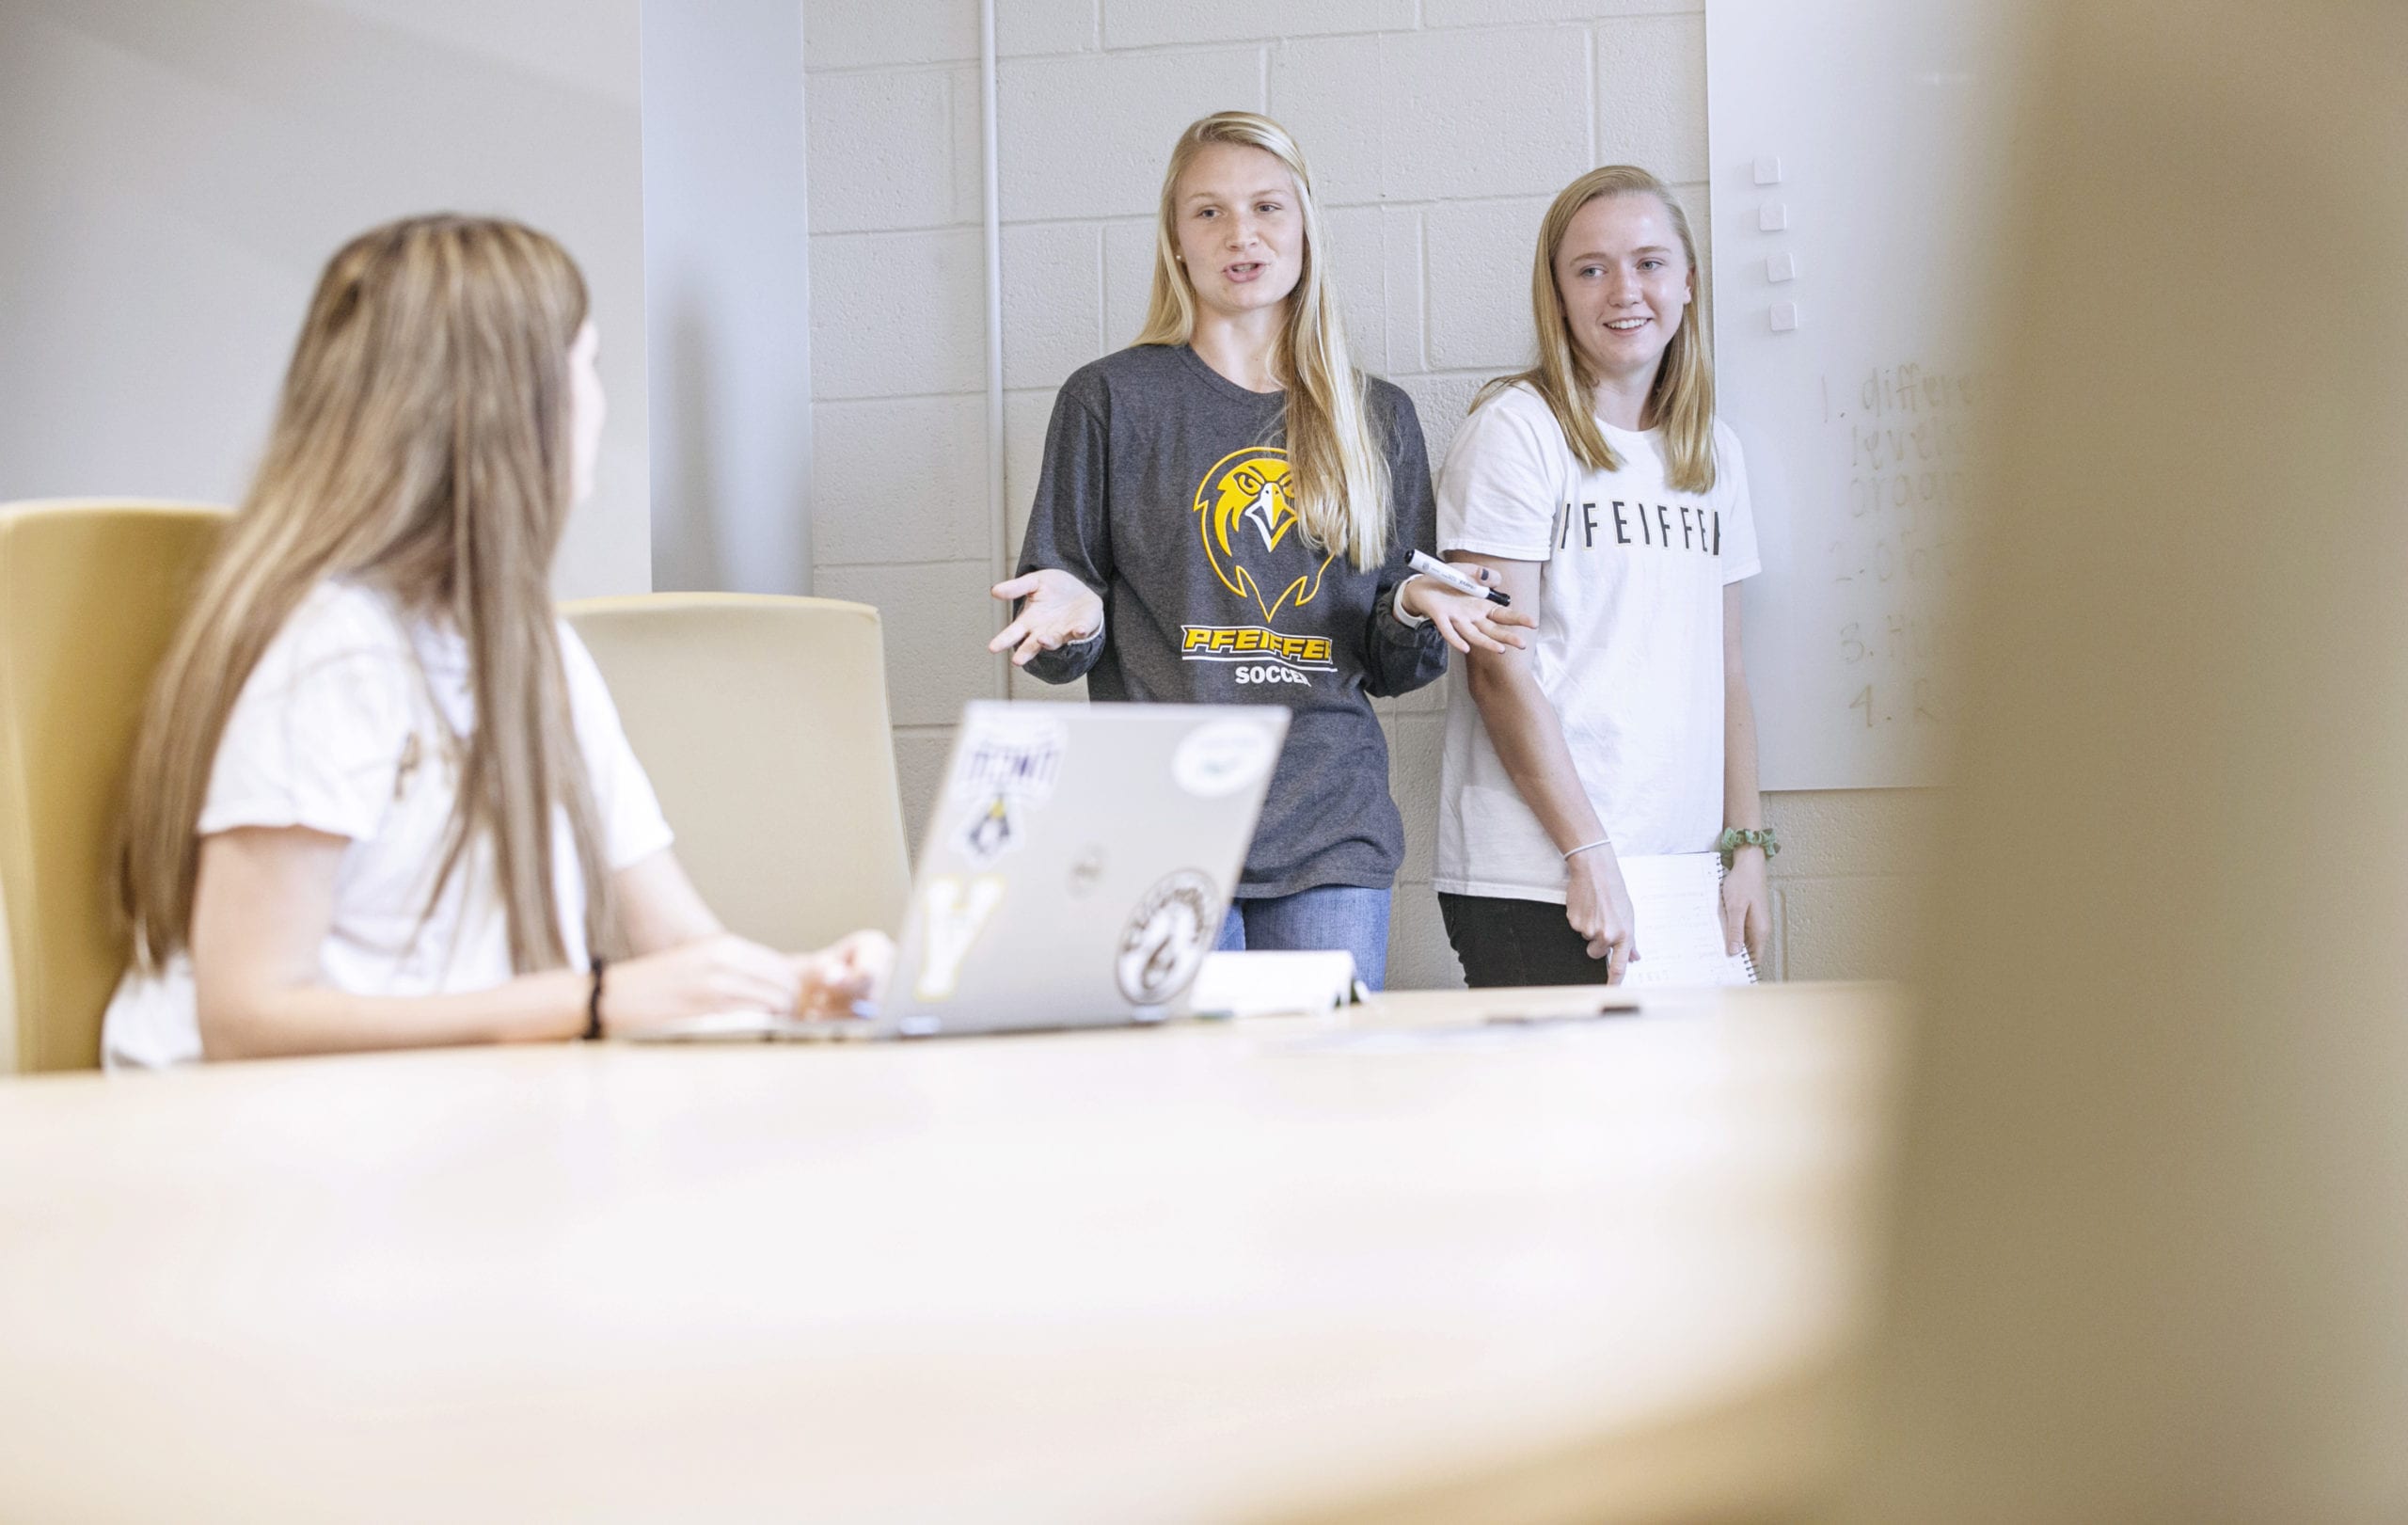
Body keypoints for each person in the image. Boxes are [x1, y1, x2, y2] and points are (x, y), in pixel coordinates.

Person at [103, 214, 889, 1068]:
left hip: (440, 1121)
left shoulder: (536, 653)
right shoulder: (335, 653)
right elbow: (247, 1015)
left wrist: (800, 984)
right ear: (512, 405)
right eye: (585, 364)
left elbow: (680, 948)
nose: (597, 398)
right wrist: (592, 1000)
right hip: (256, 1146)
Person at [987, 111, 1530, 990]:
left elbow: (1395, 669)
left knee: (1322, 1111)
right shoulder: (1110, 399)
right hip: (1160, 823)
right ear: (1175, 239)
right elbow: (1057, 626)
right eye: (1209, 212)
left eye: (1267, 207)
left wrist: (1410, 608)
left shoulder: (1375, 415)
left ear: (1305, 225)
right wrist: (1073, 619)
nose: (1241, 233)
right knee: (1194, 1112)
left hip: (1329, 827)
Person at [1433, 165, 1773, 987]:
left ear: (1688, 282)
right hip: (1541, 877)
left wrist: (1747, 847)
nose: (1625, 290)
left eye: (1651, 263)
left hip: (1679, 873)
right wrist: (1587, 852)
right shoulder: (1516, 431)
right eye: (1591, 269)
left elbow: (1726, 670)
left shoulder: (1714, 453)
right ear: (1557, 294)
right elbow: (1496, 665)